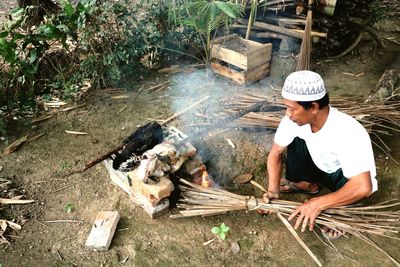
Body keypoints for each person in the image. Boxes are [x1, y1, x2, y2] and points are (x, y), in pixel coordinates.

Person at [263, 70, 377, 239]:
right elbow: (275, 153)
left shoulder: (348, 131)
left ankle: (341, 208)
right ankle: (307, 184)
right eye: (287, 107)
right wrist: (273, 190)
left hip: (342, 178)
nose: (288, 113)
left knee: (345, 195)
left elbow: (363, 187)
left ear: (314, 107)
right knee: (295, 138)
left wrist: (319, 204)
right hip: (318, 164)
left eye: (292, 109)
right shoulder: (293, 121)